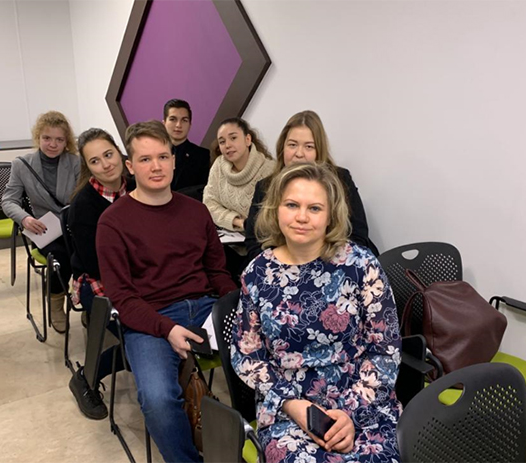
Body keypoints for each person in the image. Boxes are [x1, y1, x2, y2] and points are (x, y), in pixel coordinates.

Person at [232, 162, 401, 463]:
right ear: (276, 209)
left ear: (330, 215)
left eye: (314, 208)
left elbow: (385, 350)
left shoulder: (362, 265)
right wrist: (293, 405)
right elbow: (247, 356)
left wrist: (349, 413)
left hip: (362, 400)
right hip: (288, 406)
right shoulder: (257, 274)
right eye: (292, 205)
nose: (301, 217)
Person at [96, 120, 237, 463]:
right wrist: (166, 328)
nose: (156, 166)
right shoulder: (112, 222)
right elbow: (123, 297)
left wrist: (237, 306)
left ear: (174, 160)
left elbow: (217, 272)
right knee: (158, 399)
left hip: (205, 306)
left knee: (270, 363)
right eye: (145, 159)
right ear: (130, 166)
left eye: (162, 157)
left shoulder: (197, 211)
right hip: (151, 317)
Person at [244, 110, 377, 261]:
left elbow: (358, 236)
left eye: (308, 147)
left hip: (336, 263)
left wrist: (316, 268)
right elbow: (253, 242)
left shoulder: (341, 180)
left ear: (319, 151)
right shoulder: (264, 187)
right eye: (292, 145)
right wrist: (282, 265)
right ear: (282, 148)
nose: (299, 153)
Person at [67, 128, 131, 420]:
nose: (106, 165)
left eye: (108, 154)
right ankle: (86, 376)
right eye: (95, 161)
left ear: (119, 152)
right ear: (87, 167)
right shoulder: (83, 204)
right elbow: (95, 265)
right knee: (137, 340)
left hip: (137, 274)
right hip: (97, 280)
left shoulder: (137, 186)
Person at [2, 110, 80, 333]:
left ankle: (89, 303)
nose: (52, 144)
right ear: (38, 137)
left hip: (72, 225)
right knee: (60, 258)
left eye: (59, 139)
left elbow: (83, 198)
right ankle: (56, 302)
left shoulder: (76, 163)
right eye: (47, 138)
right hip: (44, 229)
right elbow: (8, 200)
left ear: (66, 141)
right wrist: (25, 218)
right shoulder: (22, 165)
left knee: (88, 253)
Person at [203, 117, 275, 232]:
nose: (227, 145)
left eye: (233, 138)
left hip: (260, 237)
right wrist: (237, 222)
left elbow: (271, 216)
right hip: (227, 235)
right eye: (222, 142)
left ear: (248, 139)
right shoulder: (219, 165)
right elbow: (209, 204)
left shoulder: (270, 170)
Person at [163, 99, 210, 200]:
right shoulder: (152, 153)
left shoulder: (203, 156)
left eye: (184, 120)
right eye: (173, 119)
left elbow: (204, 190)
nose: (178, 125)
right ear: (164, 123)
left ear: (190, 124)